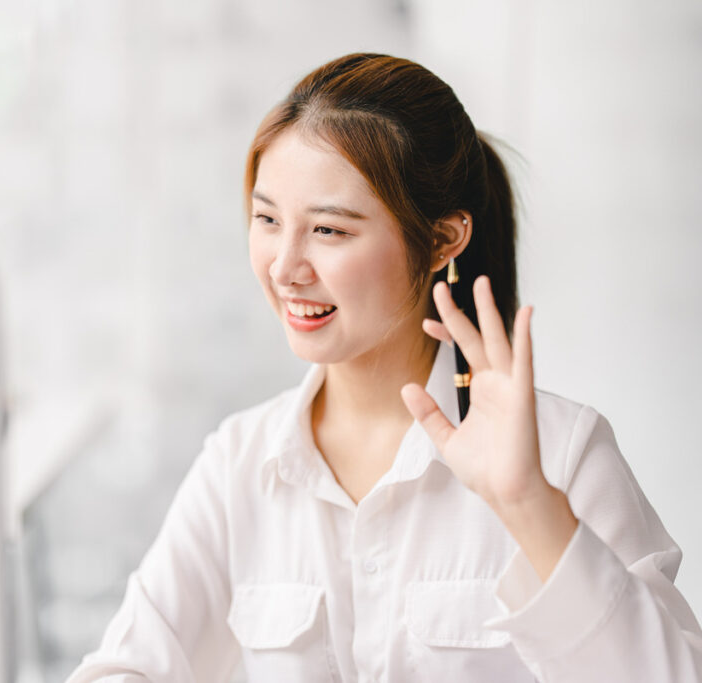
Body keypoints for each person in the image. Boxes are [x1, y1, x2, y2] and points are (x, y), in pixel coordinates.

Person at [66, 53, 702, 682]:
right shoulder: (240, 462)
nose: (285, 267)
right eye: (267, 220)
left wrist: (528, 504)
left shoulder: (562, 453)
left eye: (330, 231)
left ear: (441, 241)